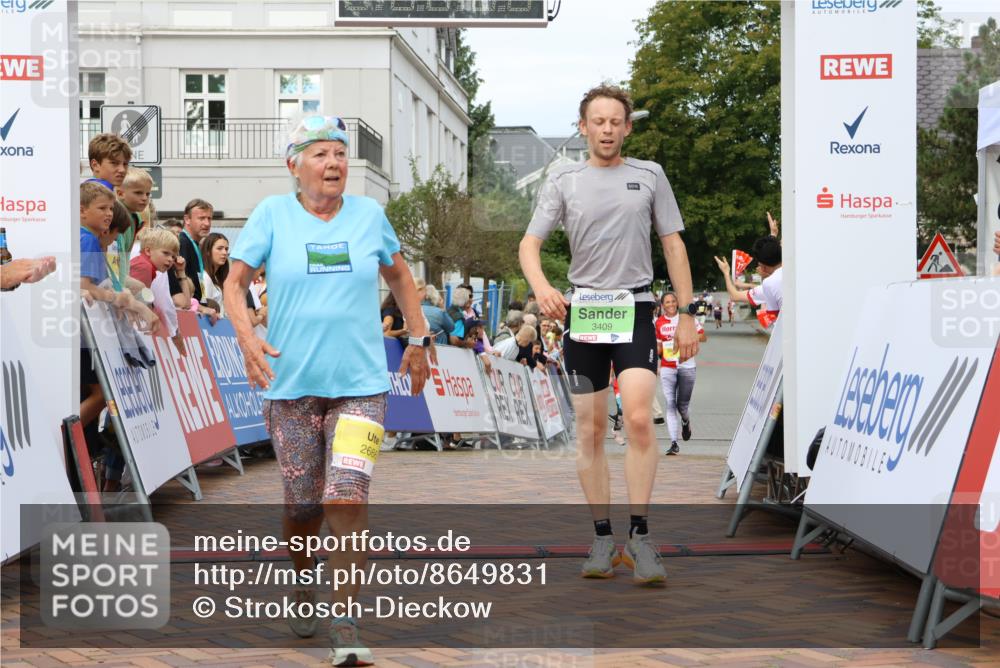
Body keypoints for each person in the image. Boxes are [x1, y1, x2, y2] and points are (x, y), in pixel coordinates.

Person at [223, 114, 433, 666]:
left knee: (347, 495)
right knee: (302, 504)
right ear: (294, 166)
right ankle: (301, 587)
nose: (334, 163)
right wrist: (246, 336)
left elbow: (400, 277)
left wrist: (417, 335)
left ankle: (345, 622)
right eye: (320, 154)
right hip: (289, 385)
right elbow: (235, 282)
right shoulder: (272, 214)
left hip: (361, 386)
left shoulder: (369, 215)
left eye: (340, 154)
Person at [519, 84, 698, 584]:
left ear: (627, 127)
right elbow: (530, 245)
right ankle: (603, 538)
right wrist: (542, 286)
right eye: (597, 121)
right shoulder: (563, 180)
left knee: (640, 419)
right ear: (583, 127)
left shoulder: (649, 176)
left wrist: (685, 312)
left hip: (636, 309)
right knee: (591, 431)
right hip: (584, 316)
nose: (607, 129)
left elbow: (673, 245)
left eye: (615, 121)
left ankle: (640, 537)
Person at [655, 292, 707, 455]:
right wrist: (656, 361)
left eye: (673, 301)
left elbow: (704, 336)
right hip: (667, 367)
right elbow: (659, 347)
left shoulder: (687, 319)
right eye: (667, 302)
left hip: (687, 366)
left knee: (682, 406)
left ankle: (686, 421)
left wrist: (687, 338)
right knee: (670, 403)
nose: (670, 305)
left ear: (677, 303)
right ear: (662, 306)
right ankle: (673, 443)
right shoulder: (659, 322)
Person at [715, 234, 782, 328]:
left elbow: (734, 295)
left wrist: (726, 272)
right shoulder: (796, 271)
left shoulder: (769, 284)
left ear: (762, 266)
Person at [174, 198, 214, 303]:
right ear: (187, 219)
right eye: (201, 218)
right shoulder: (182, 242)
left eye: (209, 218)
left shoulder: (194, 243)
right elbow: (179, 282)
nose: (207, 223)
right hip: (189, 310)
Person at [200, 232, 230, 317]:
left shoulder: (217, 277)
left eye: (226, 249)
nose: (224, 252)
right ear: (208, 251)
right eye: (219, 248)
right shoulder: (204, 277)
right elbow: (205, 307)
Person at [416, 280, 453, 345]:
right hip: (439, 346)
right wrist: (442, 309)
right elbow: (451, 328)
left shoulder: (415, 310)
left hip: (418, 345)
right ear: (435, 296)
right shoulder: (439, 312)